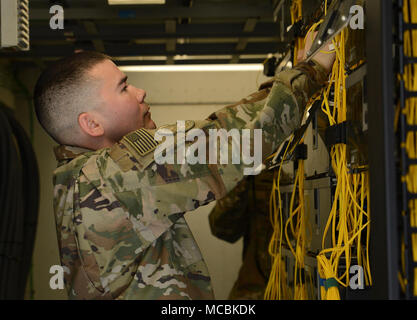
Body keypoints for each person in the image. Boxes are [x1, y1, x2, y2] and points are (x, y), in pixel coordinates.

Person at [33, 37, 334, 299]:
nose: (140, 92)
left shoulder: (78, 176)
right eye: (123, 87)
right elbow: (240, 140)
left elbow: (217, 130)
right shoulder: (111, 174)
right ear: (92, 124)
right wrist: (312, 69)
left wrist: (290, 78)